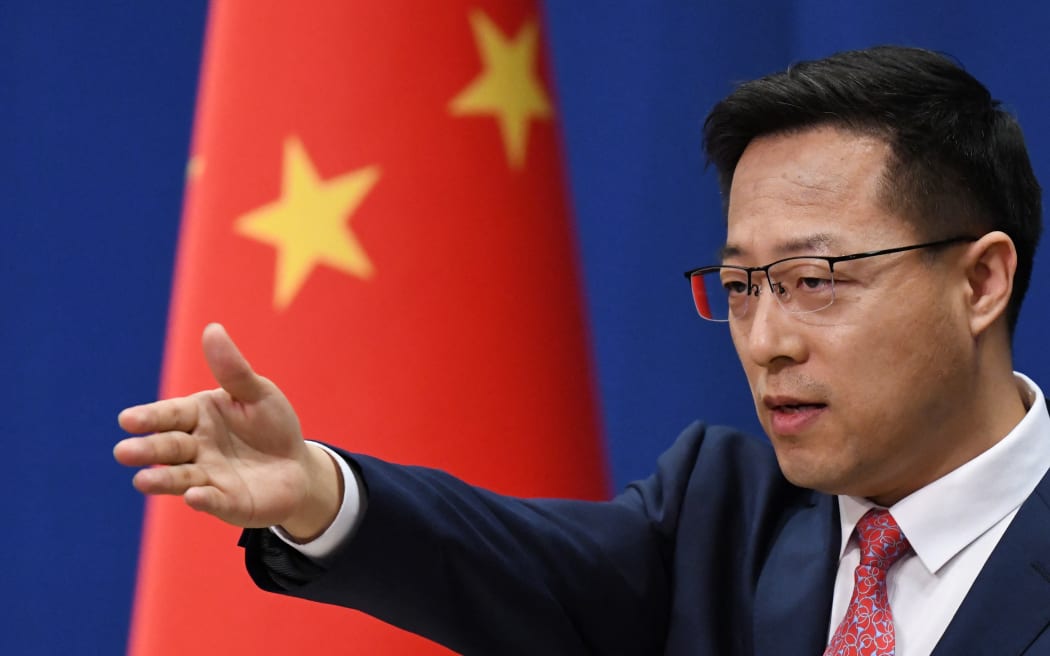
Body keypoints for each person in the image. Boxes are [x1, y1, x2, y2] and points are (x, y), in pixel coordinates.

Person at [114, 45, 1049, 655]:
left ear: (979, 283)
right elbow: (501, 563)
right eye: (737, 290)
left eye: (816, 281)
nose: (767, 342)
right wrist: (322, 494)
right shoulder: (723, 518)